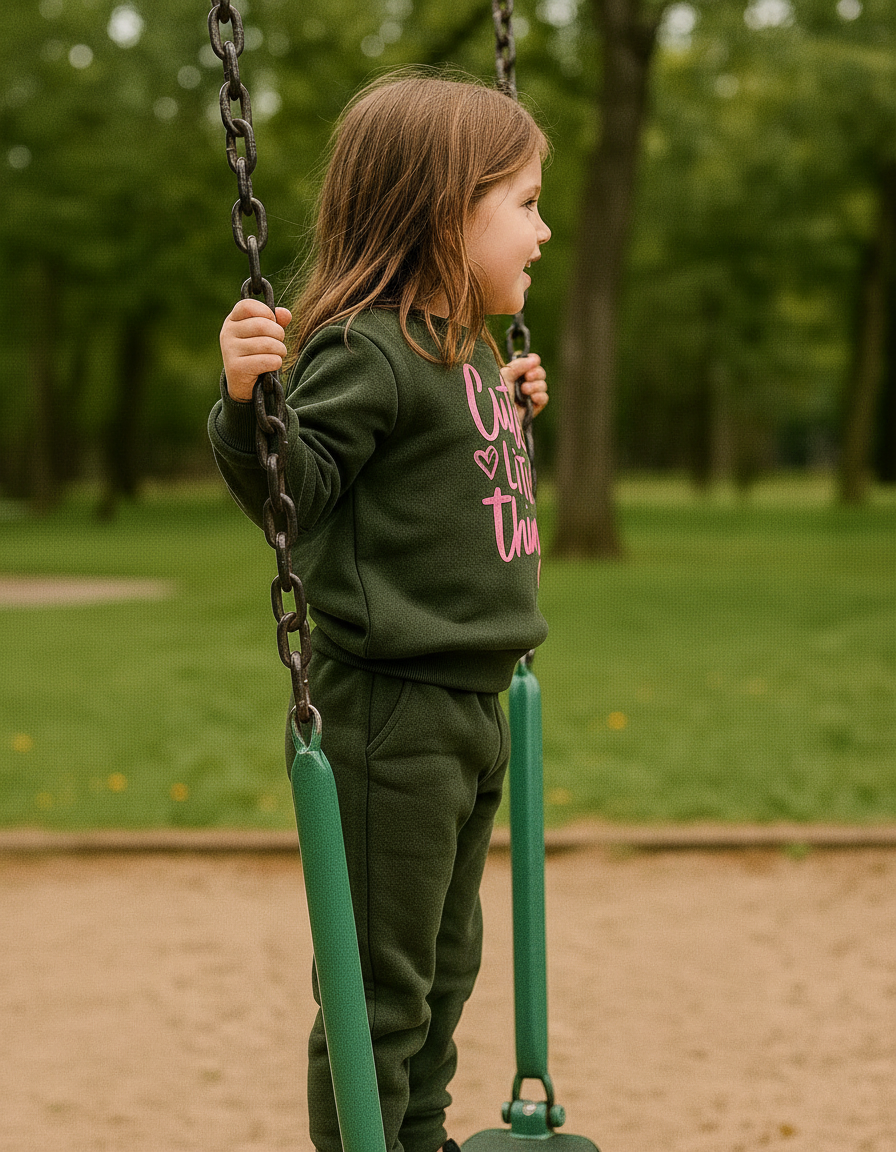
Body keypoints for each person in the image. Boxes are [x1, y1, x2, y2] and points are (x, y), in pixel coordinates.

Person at [208, 71, 551, 1152]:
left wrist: (511, 405)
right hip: (394, 716)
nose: (544, 231)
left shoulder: (466, 353)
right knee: (379, 989)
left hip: (470, 708)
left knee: (448, 968)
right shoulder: (368, 347)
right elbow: (296, 490)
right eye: (527, 204)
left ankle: (421, 1137)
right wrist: (246, 405)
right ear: (448, 212)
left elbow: (445, 487)